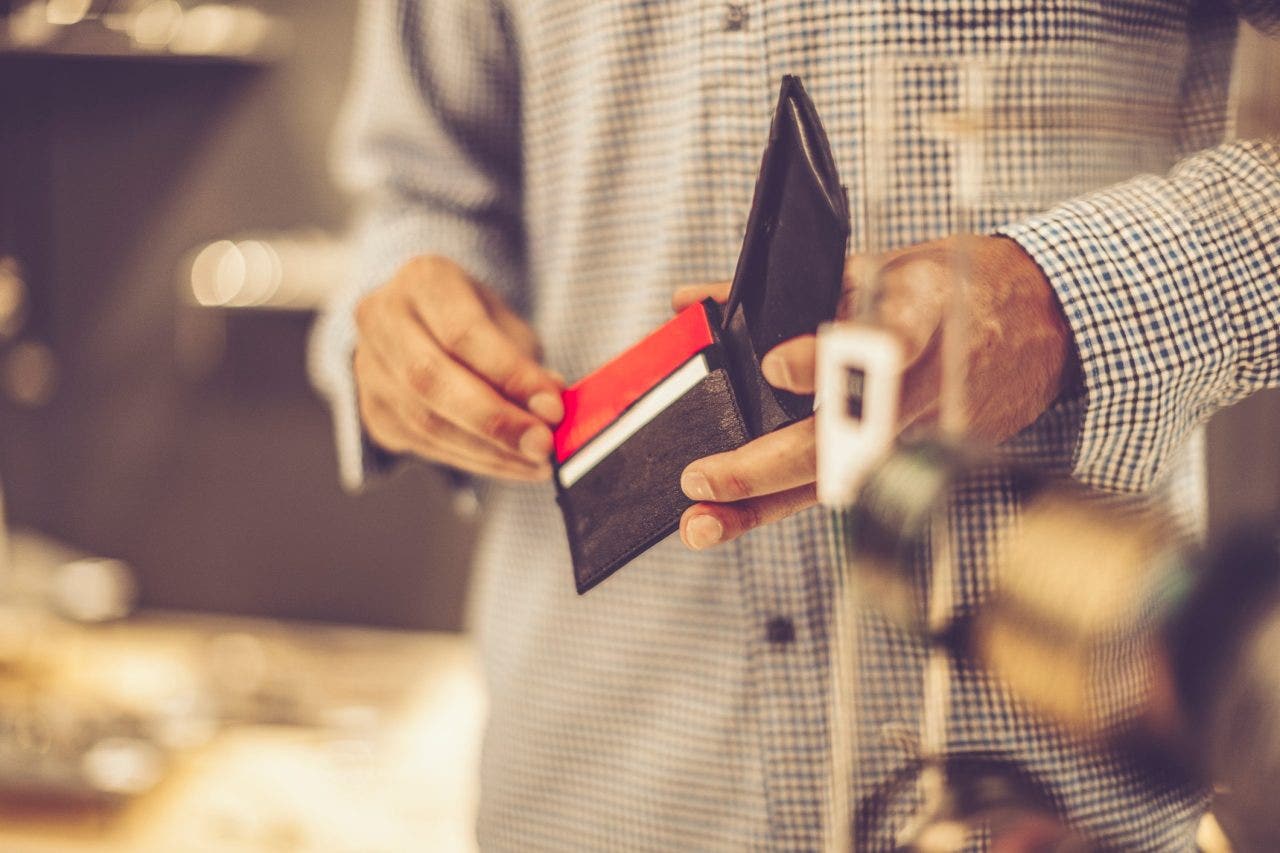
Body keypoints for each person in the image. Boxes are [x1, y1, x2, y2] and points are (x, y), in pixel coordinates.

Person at [310, 1, 1280, 849]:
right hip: (591, 783)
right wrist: (396, 327)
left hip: (1053, 770)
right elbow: (420, 190)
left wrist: (1065, 299)